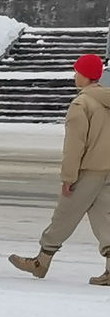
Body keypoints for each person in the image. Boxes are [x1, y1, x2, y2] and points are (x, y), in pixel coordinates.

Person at [8, 52, 110, 284]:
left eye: (77, 72)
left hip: (87, 171)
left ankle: (41, 261)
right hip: (107, 169)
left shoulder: (81, 104)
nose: (75, 76)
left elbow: (75, 145)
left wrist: (68, 177)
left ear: (85, 75)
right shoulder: (106, 101)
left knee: (65, 215)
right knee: (105, 217)